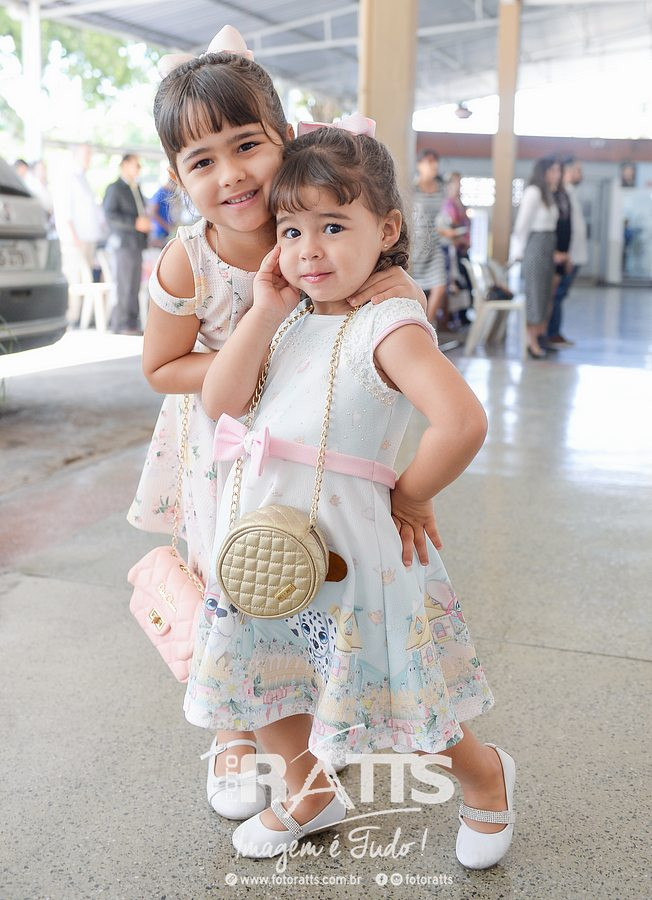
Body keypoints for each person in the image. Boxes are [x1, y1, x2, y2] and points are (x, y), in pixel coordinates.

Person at [192, 125, 516, 868]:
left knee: (402, 692)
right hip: (264, 547)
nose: (309, 250)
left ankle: (485, 776)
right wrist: (264, 309)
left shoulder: (388, 325)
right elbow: (220, 401)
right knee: (266, 678)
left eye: (333, 227)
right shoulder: (287, 320)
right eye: (291, 231)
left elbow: (462, 422)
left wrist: (411, 495)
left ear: (387, 230)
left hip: (351, 554)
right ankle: (309, 794)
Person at [126, 25, 427, 824]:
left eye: (246, 145)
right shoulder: (190, 257)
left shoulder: (324, 231)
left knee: (309, 579)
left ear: (285, 139)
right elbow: (161, 367)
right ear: (176, 177)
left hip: (315, 448)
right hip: (223, 448)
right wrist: (249, 367)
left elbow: (384, 332)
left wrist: (396, 295)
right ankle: (232, 734)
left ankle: (308, 726)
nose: (230, 174)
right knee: (232, 584)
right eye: (201, 161)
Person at [509, 157, 561, 358]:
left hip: (547, 245)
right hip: (536, 247)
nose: (557, 174)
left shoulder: (548, 193)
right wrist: (518, 251)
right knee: (536, 294)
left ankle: (538, 336)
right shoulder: (533, 192)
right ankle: (530, 341)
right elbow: (522, 225)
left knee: (545, 294)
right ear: (544, 172)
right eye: (554, 170)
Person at [103, 153, 150, 334]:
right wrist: (134, 223)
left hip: (137, 243)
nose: (138, 169)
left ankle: (131, 322)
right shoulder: (115, 188)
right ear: (124, 165)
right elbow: (110, 215)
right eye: (135, 165)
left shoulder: (136, 187)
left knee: (134, 284)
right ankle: (121, 323)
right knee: (124, 284)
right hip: (123, 243)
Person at [546, 157, 587, 349]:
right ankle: (551, 333)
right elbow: (564, 228)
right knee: (556, 295)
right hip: (566, 255)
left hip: (573, 255)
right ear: (568, 171)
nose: (581, 174)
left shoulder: (569, 193)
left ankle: (554, 332)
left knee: (560, 295)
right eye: (578, 170)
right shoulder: (561, 194)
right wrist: (565, 254)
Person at [55, 143, 105, 275]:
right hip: (77, 240)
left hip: (89, 238)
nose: (89, 158)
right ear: (76, 155)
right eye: (86, 154)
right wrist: (74, 237)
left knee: (87, 278)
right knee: (77, 278)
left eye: (90, 154)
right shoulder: (68, 176)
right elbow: (65, 211)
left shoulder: (84, 178)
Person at [411, 149, 448, 324]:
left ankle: (427, 324)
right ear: (419, 165)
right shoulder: (413, 189)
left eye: (435, 161)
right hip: (417, 245)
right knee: (414, 287)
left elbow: (445, 216)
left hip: (435, 242)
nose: (433, 165)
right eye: (428, 161)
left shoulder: (442, 189)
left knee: (440, 286)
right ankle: (415, 324)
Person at [438, 171, 472, 317]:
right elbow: (449, 227)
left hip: (462, 248)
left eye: (459, 182)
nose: (458, 186)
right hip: (452, 248)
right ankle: (453, 317)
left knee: (465, 282)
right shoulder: (447, 204)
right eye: (456, 182)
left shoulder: (460, 203)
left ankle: (462, 315)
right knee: (454, 283)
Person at [148, 176, 177, 247]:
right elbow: (152, 213)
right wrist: (167, 226)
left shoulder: (169, 192)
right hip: (160, 232)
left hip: (168, 230)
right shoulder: (160, 193)